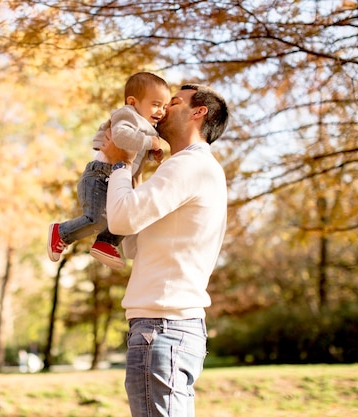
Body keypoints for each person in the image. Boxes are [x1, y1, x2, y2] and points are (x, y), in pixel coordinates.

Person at [100, 83, 229, 417]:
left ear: (199, 112)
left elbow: (122, 219)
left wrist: (119, 164)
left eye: (173, 102)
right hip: (163, 328)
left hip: (162, 328)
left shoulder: (189, 165)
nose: (161, 110)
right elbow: (133, 241)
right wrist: (134, 175)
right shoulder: (189, 169)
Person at [47, 72, 170, 269]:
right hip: (99, 175)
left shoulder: (148, 128)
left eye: (165, 107)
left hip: (117, 177)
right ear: (132, 102)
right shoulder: (127, 115)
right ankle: (61, 232)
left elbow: (133, 151)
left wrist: (151, 153)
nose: (161, 111)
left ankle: (106, 242)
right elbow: (121, 138)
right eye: (156, 104)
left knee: (127, 212)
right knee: (96, 219)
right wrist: (150, 142)